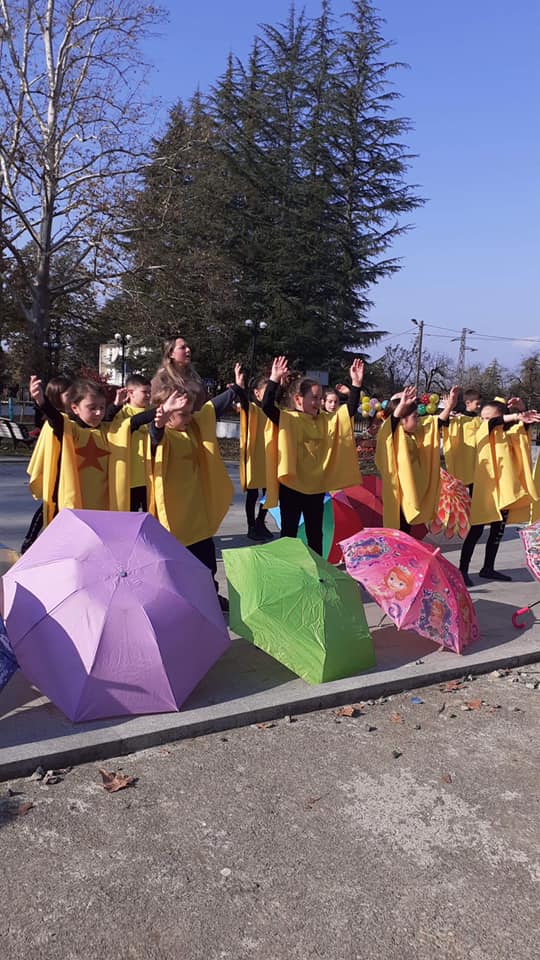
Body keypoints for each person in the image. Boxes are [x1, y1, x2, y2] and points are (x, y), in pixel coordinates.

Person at [150, 365, 246, 611]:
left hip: (196, 512)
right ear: (166, 412)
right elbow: (154, 438)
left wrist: (235, 389)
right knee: (177, 565)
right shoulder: (163, 436)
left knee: (206, 562)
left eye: (190, 412)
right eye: (182, 413)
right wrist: (160, 422)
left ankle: (210, 596)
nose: (189, 417)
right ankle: (180, 604)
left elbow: (212, 408)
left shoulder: (192, 428)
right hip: (173, 517)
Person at [261, 357, 364, 555]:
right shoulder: (288, 418)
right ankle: (289, 566)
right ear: (298, 399)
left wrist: (356, 384)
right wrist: (274, 379)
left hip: (316, 487)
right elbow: (266, 406)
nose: (318, 403)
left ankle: (317, 568)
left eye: (320, 398)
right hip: (292, 487)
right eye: (314, 398)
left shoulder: (325, 420)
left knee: (315, 534)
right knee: (289, 533)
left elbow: (348, 412)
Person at [28, 375, 159, 519]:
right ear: (75, 408)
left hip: (103, 505)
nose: (98, 413)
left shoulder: (108, 431)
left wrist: (163, 409)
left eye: (102, 407)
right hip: (76, 502)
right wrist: (42, 402)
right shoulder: (71, 429)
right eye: (92, 408)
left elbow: (133, 422)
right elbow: (56, 419)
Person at [455, 400, 540, 585]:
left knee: (497, 531)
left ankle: (488, 568)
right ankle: (462, 570)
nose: (484, 421)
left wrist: (522, 410)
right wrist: (516, 415)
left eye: (488, 417)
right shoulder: (483, 431)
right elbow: (494, 423)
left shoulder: (508, 434)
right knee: (476, 530)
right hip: (484, 489)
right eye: (482, 417)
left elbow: (523, 428)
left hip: (504, 491)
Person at [375, 385, 459, 533]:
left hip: (412, 490)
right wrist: (401, 406)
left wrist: (449, 407)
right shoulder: (390, 434)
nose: (418, 421)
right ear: (402, 420)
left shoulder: (411, 434)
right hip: (398, 494)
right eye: (415, 417)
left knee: (406, 531)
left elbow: (434, 424)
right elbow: (392, 422)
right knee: (398, 531)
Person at [22, 375, 73, 552]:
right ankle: (31, 542)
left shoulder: (70, 418)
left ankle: (37, 541)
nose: (73, 398)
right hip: (59, 470)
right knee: (50, 506)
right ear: (57, 398)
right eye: (68, 395)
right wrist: (41, 401)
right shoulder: (59, 419)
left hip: (68, 470)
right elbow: (53, 416)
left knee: (50, 507)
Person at [105, 374, 152, 512]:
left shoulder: (153, 411)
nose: (148, 395)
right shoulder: (122, 412)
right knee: (130, 517)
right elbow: (106, 421)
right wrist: (116, 405)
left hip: (150, 476)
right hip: (131, 478)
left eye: (149, 392)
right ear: (131, 393)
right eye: (144, 392)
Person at [237, 373, 274, 541]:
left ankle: (261, 521)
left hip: (269, 457)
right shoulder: (252, 409)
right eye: (265, 392)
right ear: (256, 393)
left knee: (269, 493)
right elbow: (244, 402)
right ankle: (251, 526)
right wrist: (239, 389)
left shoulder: (272, 409)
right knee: (252, 495)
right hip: (253, 458)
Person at [151, 336, 207, 412]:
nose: (188, 350)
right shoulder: (161, 380)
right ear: (171, 354)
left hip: (200, 419)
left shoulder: (195, 377)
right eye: (182, 348)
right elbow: (153, 408)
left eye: (187, 347)